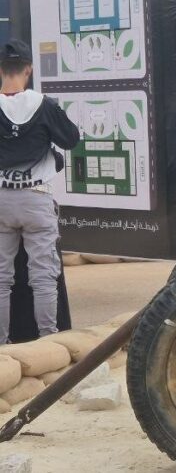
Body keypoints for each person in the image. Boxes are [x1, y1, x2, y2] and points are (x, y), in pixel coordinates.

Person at [0, 39, 80, 344]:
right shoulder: (45, 104)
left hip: (2, 200)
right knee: (44, 277)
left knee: (2, 279)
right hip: (36, 198)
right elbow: (71, 139)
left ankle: (3, 348)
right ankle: (49, 343)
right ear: (29, 70)